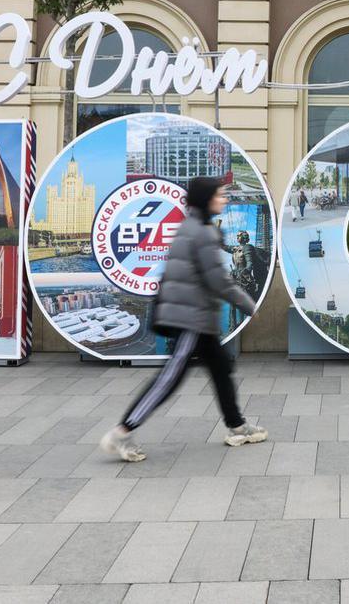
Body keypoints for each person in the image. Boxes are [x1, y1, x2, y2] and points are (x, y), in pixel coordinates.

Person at [101, 177, 266, 463]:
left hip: (197, 315)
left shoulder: (194, 227)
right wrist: (249, 304)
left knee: (221, 368)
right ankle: (122, 432)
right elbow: (218, 281)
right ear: (206, 199)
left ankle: (237, 426)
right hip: (190, 318)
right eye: (219, 195)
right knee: (170, 378)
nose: (224, 200)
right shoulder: (200, 233)